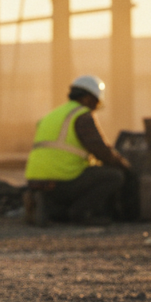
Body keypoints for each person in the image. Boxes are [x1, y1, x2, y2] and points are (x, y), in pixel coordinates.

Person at [24, 74, 131, 225]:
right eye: (95, 102)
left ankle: (49, 206)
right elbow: (101, 152)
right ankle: (80, 213)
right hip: (62, 179)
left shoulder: (53, 114)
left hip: (35, 180)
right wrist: (125, 165)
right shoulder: (82, 116)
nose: (94, 107)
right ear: (88, 98)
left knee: (89, 173)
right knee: (114, 176)